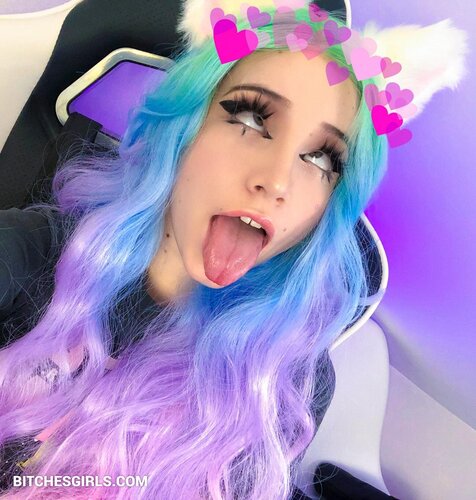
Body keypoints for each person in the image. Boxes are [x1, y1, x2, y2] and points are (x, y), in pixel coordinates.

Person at [0, 3, 405, 498]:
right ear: (185, 128)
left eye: (322, 158)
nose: (278, 180)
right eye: (251, 118)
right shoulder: (35, 252)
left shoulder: (286, 381)